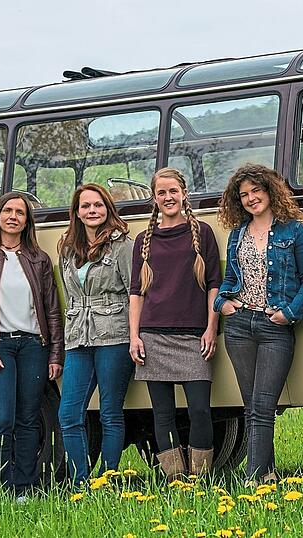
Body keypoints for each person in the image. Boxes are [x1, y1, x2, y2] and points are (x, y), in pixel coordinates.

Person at [214, 164, 303, 484]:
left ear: (269, 190)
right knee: (252, 405)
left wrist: (290, 313)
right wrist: (222, 303)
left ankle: (253, 478)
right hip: (239, 324)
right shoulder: (238, 234)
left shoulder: (294, 230)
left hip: (275, 326)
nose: (250, 198)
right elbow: (230, 277)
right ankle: (266, 475)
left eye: (255, 191)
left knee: (262, 404)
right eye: (243, 195)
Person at [0, 191, 64, 496]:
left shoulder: (38, 259)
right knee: (2, 418)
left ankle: (24, 488)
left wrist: (55, 354)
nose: (13, 217)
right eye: (8, 211)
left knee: (29, 419)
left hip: (34, 346)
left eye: (20, 212)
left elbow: (52, 310)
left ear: (26, 221)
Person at [129, 167, 222, 479]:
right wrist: (134, 336)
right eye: (161, 192)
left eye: (173, 191)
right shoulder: (144, 239)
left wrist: (212, 328)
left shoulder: (203, 233)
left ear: (184, 194)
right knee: (163, 413)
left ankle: (200, 478)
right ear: (154, 198)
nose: (168, 197)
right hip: (153, 337)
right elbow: (136, 293)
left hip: (195, 336)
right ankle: (176, 479)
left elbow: (214, 285)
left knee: (199, 410)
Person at [57, 184, 134, 486]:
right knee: (68, 414)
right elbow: (69, 294)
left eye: (98, 205)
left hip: (114, 334)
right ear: (77, 212)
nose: (93, 211)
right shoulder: (67, 248)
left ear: (108, 209)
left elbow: (135, 292)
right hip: (78, 337)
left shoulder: (122, 245)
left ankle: (109, 476)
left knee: (110, 412)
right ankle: (80, 480)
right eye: (86, 206)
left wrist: (136, 335)